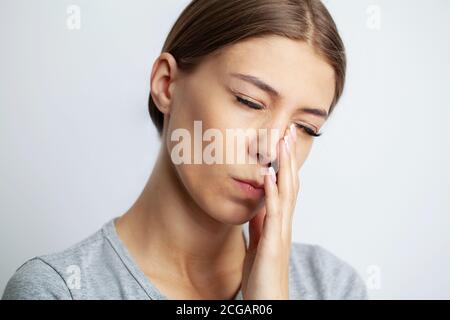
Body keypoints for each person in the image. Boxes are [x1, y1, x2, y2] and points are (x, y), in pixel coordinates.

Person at [2, 0, 368, 300]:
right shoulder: (59, 290)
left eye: (305, 128)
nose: (271, 150)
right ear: (166, 84)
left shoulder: (333, 287)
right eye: (249, 101)